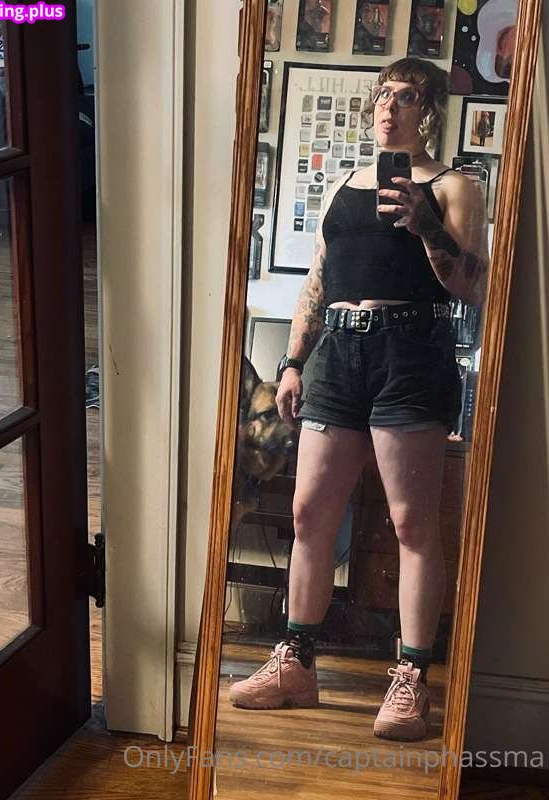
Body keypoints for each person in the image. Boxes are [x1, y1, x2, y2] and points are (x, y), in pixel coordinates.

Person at [228, 57, 489, 742]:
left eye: (405, 97)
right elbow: (318, 278)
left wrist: (426, 225)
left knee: (412, 524)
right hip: (337, 355)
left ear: (429, 111)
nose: (388, 108)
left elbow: (472, 284)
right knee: (309, 511)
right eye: (383, 95)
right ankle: (296, 663)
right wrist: (293, 362)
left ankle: (412, 677)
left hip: (412, 353)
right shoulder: (345, 185)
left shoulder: (454, 187)